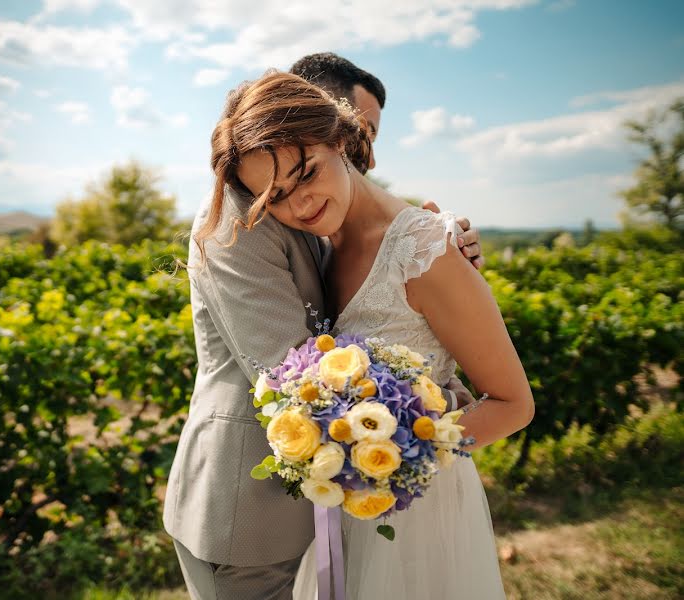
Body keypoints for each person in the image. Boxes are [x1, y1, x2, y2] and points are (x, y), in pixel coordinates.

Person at [163, 54, 485, 600]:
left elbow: (369, 306)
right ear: (312, 115)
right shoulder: (238, 223)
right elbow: (298, 375)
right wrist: (437, 397)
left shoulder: (315, 211)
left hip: (328, 506)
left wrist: (434, 263)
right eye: (361, 133)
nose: (370, 154)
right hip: (249, 514)